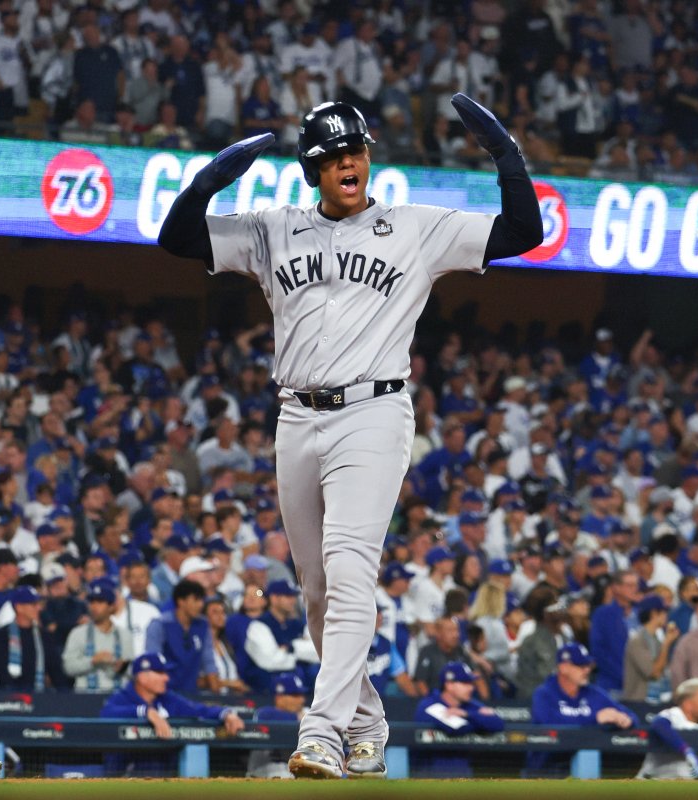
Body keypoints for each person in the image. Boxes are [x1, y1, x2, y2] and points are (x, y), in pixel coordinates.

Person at [158, 93, 542, 779]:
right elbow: (178, 240)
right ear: (313, 170)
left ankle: (324, 731)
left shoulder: (416, 227)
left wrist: (505, 156)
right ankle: (366, 724)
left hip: (374, 411)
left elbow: (522, 232)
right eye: (334, 157)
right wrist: (207, 182)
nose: (348, 164)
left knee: (350, 564)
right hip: (297, 416)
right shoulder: (275, 228)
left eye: (355, 152)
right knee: (315, 588)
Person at [99, 652, 244, 776]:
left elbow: (199, 710)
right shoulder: (122, 697)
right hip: (124, 781)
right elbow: (106, 713)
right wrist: (145, 712)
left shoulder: (167, 698)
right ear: (143, 678)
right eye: (160, 673)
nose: (166, 678)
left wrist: (227, 714)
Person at [526, 643, 638, 777]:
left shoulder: (593, 693)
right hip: (545, 772)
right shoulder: (544, 693)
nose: (587, 670)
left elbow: (632, 717)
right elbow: (552, 724)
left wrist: (624, 719)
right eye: (580, 666)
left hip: (584, 769)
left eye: (588, 665)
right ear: (563, 667)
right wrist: (595, 719)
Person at [413, 661, 505, 776]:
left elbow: (498, 723)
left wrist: (467, 714)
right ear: (449, 685)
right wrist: (479, 721)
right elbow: (458, 728)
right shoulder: (429, 704)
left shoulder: (468, 705)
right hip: (428, 776)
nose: (471, 688)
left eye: (471, 683)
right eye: (465, 683)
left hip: (462, 776)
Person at [144, 578, 220, 693]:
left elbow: (209, 661)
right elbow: (153, 661)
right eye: (196, 600)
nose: (200, 605)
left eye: (201, 600)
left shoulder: (203, 625)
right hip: (165, 692)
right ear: (181, 601)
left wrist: (217, 695)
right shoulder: (160, 625)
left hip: (192, 693)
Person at [62, 578, 133, 692]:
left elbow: (132, 671)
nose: (94, 607)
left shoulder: (124, 635)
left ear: (111, 606)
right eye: (92, 602)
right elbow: (68, 668)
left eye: (100, 602)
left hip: (116, 698)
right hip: (85, 699)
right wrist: (93, 660)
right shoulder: (78, 633)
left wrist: (121, 667)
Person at [248, 673, 308, 778]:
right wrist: (298, 718)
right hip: (263, 771)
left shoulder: (307, 712)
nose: (301, 700)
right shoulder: (264, 713)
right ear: (279, 697)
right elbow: (263, 720)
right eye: (295, 695)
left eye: (302, 695)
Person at [622, 593, 679, 703]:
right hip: (638, 704)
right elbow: (654, 673)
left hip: (656, 701)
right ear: (653, 614)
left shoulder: (656, 639)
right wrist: (666, 644)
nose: (666, 616)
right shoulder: (637, 641)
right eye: (663, 612)